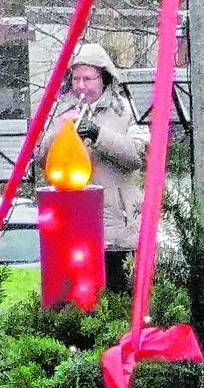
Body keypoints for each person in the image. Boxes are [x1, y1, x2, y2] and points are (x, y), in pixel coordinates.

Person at [37, 43, 147, 293]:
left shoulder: (126, 109)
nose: (81, 86)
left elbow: (137, 156)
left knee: (118, 297)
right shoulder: (61, 110)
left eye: (88, 79)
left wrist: (98, 134)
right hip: (73, 224)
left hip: (117, 227)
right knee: (75, 297)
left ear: (104, 77)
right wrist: (58, 130)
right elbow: (41, 161)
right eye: (76, 79)